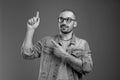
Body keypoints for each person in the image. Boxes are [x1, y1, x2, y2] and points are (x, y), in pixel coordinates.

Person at [21, 9, 93, 80]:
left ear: (75, 24)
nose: (64, 22)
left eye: (68, 20)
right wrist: (30, 29)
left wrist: (64, 55)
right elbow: (27, 54)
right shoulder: (46, 41)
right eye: (61, 19)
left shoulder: (82, 44)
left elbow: (87, 68)